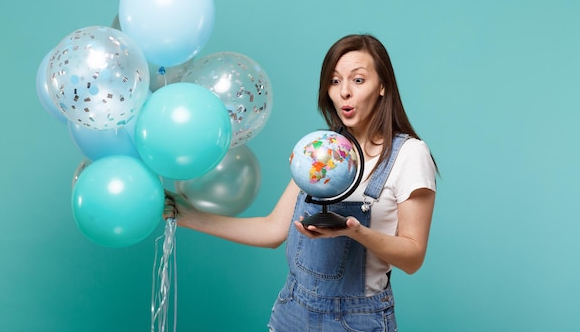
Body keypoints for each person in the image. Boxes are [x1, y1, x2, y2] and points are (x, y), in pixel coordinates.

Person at [164, 33, 437, 332]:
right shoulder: (323, 151)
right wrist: (187, 216)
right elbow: (271, 230)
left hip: (355, 321)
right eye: (335, 81)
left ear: (382, 86)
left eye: (358, 80)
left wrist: (356, 232)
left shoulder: (409, 154)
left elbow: (413, 257)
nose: (344, 92)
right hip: (292, 312)